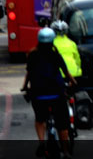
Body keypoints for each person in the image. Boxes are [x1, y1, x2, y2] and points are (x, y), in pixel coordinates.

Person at [22, 27, 76, 158]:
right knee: (62, 124)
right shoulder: (55, 55)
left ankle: (41, 143)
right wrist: (74, 82)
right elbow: (66, 73)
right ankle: (65, 150)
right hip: (56, 93)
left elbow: (29, 74)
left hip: (38, 94)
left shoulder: (32, 55)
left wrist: (24, 87)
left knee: (40, 120)